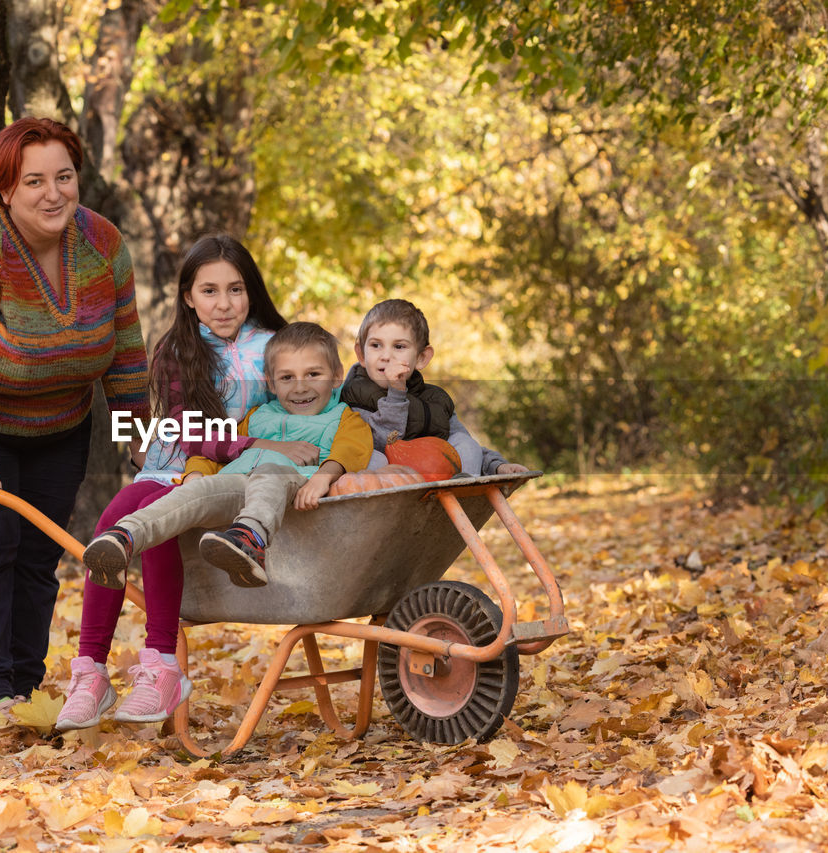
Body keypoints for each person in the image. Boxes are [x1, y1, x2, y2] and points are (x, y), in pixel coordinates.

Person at [0, 117, 150, 708]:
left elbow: (126, 354)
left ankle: (28, 687)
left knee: (40, 552)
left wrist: (143, 442)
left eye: (63, 177)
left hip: (60, 417)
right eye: (34, 180)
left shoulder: (103, 245)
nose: (53, 193)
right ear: (6, 187)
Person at [55, 235, 299, 731]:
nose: (224, 303)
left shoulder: (278, 345)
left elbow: (310, 400)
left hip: (240, 474)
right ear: (188, 296)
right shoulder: (178, 349)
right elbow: (187, 431)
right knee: (117, 517)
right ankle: (91, 672)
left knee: (156, 519)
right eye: (209, 291)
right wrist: (248, 445)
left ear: (251, 291)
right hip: (186, 456)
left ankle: (163, 662)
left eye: (235, 289)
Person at [83, 321, 373, 593]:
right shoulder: (257, 416)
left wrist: (322, 479)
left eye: (313, 374)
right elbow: (219, 451)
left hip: (285, 492)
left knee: (272, 471)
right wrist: (195, 473)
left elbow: (352, 449)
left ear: (336, 375)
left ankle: (250, 540)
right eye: (287, 377)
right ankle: (124, 538)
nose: (300, 387)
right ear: (271, 383)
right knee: (191, 495)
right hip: (233, 486)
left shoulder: (343, 418)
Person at [341, 299, 529, 477]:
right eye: (376, 345)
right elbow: (383, 442)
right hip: (392, 483)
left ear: (422, 357)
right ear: (361, 354)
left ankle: (463, 488)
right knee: (374, 458)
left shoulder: (434, 400)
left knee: (464, 443)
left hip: (433, 471)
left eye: (399, 346)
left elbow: (464, 444)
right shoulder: (354, 395)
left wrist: (496, 466)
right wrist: (396, 395)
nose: (386, 356)